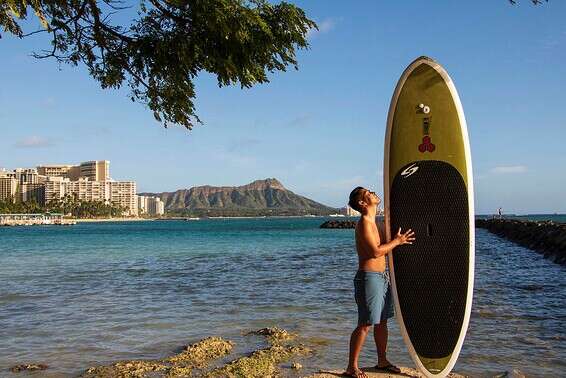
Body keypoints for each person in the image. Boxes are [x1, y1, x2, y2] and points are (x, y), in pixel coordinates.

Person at [345, 187, 415, 378]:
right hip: (369, 278)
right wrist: (398, 242)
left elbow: (388, 241)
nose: (373, 192)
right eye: (368, 192)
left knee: (382, 322)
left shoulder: (377, 223)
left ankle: (382, 361)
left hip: (382, 276)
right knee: (365, 323)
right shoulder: (365, 224)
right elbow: (376, 251)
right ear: (362, 203)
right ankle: (352, 367)